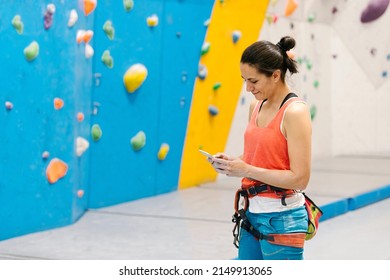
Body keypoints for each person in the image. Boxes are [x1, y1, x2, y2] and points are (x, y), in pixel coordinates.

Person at [208, 36, 312, 260]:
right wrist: (231, 163)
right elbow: (258, 156)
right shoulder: (256, 106)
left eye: (253, 81)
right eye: (244, 80)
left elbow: (300, 178)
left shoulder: (294, 112)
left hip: (282, 219)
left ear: (275, 75)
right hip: (252, 213)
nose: (248, 88)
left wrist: (245, 169)